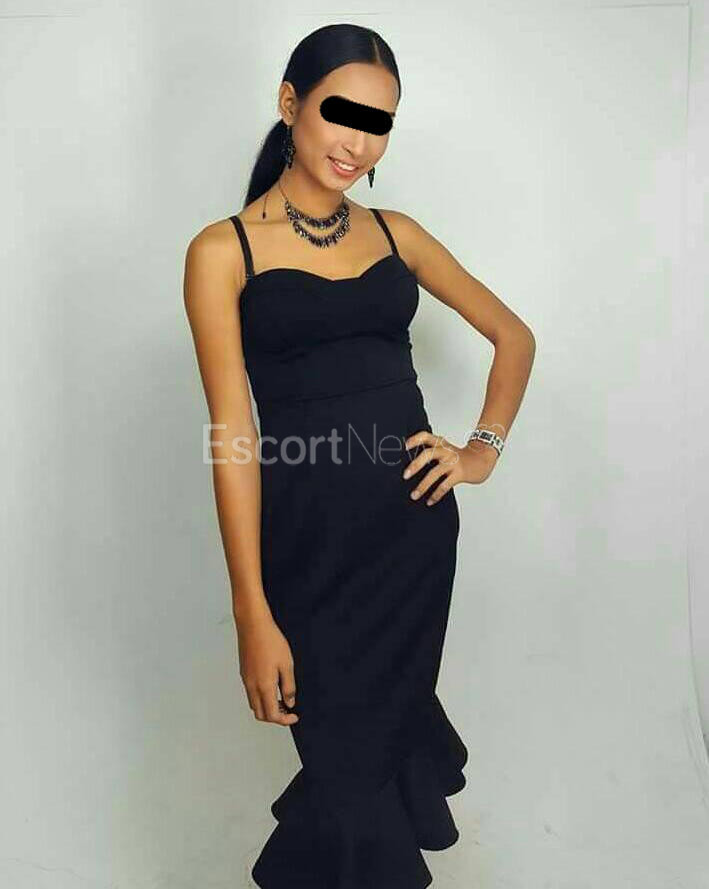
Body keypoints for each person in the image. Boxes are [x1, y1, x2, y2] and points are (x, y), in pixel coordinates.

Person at [183, 22, 535, 889]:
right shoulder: (220, 252)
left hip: (411, 542)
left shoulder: (396, 233)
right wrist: (251, 611)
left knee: (359, 778)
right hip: (308, 555)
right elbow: (232, 436)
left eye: (378, 123)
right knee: (349, 779)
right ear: (289, 102)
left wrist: (478, 451)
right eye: (341, 113)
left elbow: (512, 335)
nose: (358, 141)